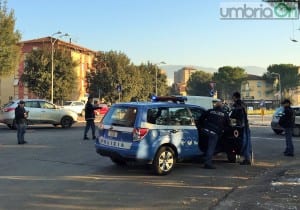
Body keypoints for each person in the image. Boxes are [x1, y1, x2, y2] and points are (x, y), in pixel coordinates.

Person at [197, 101, 231, 169]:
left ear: (215, 106)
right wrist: (222, 130)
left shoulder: (209, 111)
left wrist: (200, 127)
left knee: (204, 145)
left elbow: (200, 119)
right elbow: (228, 125)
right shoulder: (224, 114)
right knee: (211, 148)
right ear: (221, 107)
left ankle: (202, 158)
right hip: (214, 133)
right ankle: (208, 163)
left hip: (205, 131)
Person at [230, 91, 252, 165]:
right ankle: (248, 158)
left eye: (233, 97)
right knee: (247, 142)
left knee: (243, 142)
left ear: (235, 97)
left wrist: (230, 117)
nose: (232, 98)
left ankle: (246, 159)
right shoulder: (243, 104)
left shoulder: (237, 105)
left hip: (241, 125)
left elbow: (234, 114)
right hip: (245, 124)